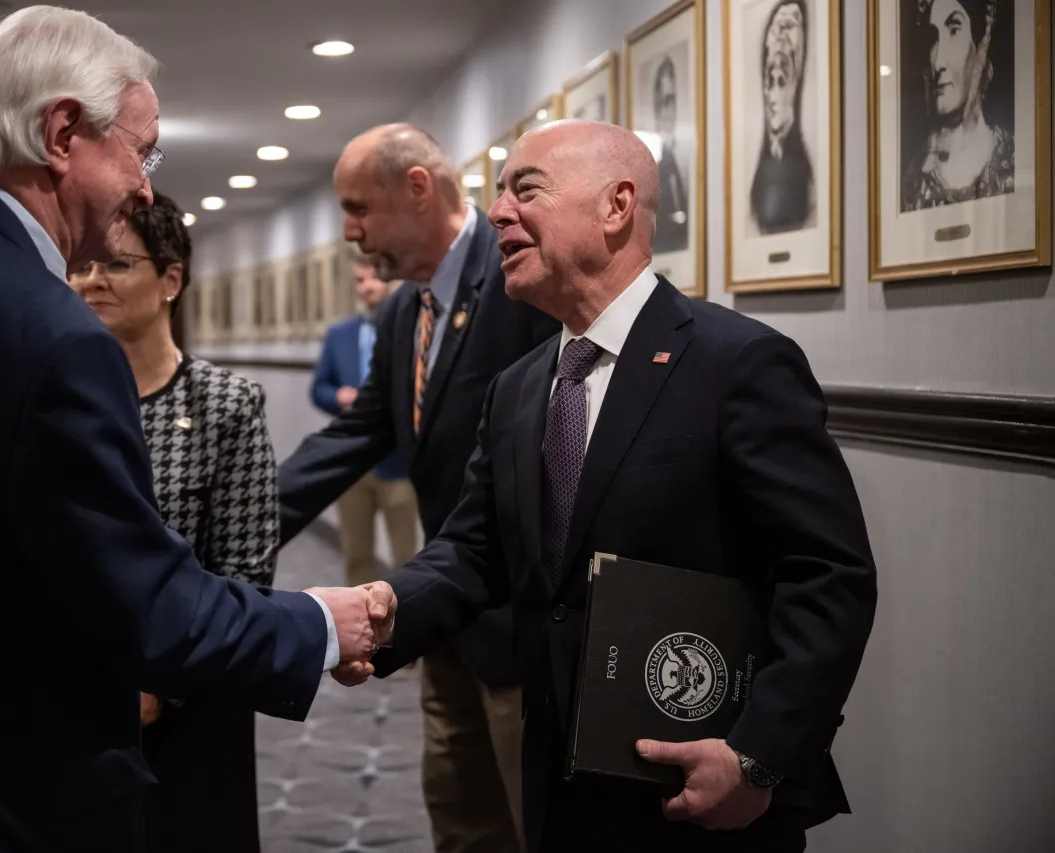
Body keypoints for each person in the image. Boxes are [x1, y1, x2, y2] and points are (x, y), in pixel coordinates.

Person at [0, 8, 392, 853]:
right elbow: (148, 609)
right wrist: (320, 624)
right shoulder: (48, 331)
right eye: (143, 150)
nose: (146, 186)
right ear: (63, 132)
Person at [340, 119, 878, 852]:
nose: (497, 212)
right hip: (562, 787)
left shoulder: (739, 364)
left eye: (524, 189)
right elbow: (473, 550)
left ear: (616, 206)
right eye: (498, 194)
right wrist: (385, 610)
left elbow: (828, 576)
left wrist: (758, 756)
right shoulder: (519, 389)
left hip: (700, 794)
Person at [279, 123, 560, 853]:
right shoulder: (405, 308)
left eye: (359, 208)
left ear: (417, 188)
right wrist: (246, 520)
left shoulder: (520, 285)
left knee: (540, 820)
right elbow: (358, 432)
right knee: (463, 817)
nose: (350, 232)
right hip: (447, 622)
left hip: (523, 630)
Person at [68, 193, 275, 853]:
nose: (92, 280)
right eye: (82, 265)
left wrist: (162, 690)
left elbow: (245, 576)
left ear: (171, 280)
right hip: (72, 700)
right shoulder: (51, 400)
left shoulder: (226, 405)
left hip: (195, 704)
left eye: (116, 265)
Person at [311, 254, 419, 587]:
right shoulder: (340, 334)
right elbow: (319, 388)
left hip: (398, 462)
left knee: (406, 557)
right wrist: (338, 397)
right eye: (360, 281)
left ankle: (407, 629)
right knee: (356, 554)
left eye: (374, 278)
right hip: (354, 463)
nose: (368, 287)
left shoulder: (412, 327)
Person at [901, 0, 1014, 210]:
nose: (938, 62)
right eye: (933, 39)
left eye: (954, 30)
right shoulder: (910, 183)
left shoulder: (1013, 164)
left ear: (981, 47)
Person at [750, 0, 814, 234]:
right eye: (777, 30)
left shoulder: (806, 178)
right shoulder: (758, 173)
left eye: (788, 28)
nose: (780, 39)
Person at [652, 55, 689, 254]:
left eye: (673, 101)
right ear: (656, 109)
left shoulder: (678, 163)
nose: (671, 111)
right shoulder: (655, 170)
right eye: (665, 102)